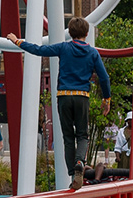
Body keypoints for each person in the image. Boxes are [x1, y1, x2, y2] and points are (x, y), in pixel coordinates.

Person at [17, 16, 112, 189]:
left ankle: (72, 174)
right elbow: (104, 78)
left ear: (70, 32)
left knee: (68, 137)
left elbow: (39, 50)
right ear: (87, 33)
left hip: (63, 95)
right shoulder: (92, 53)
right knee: (82, 134)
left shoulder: (64, 47)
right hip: (82, 96)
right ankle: (79, 162)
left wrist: (18, 42)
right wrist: (107, 99)